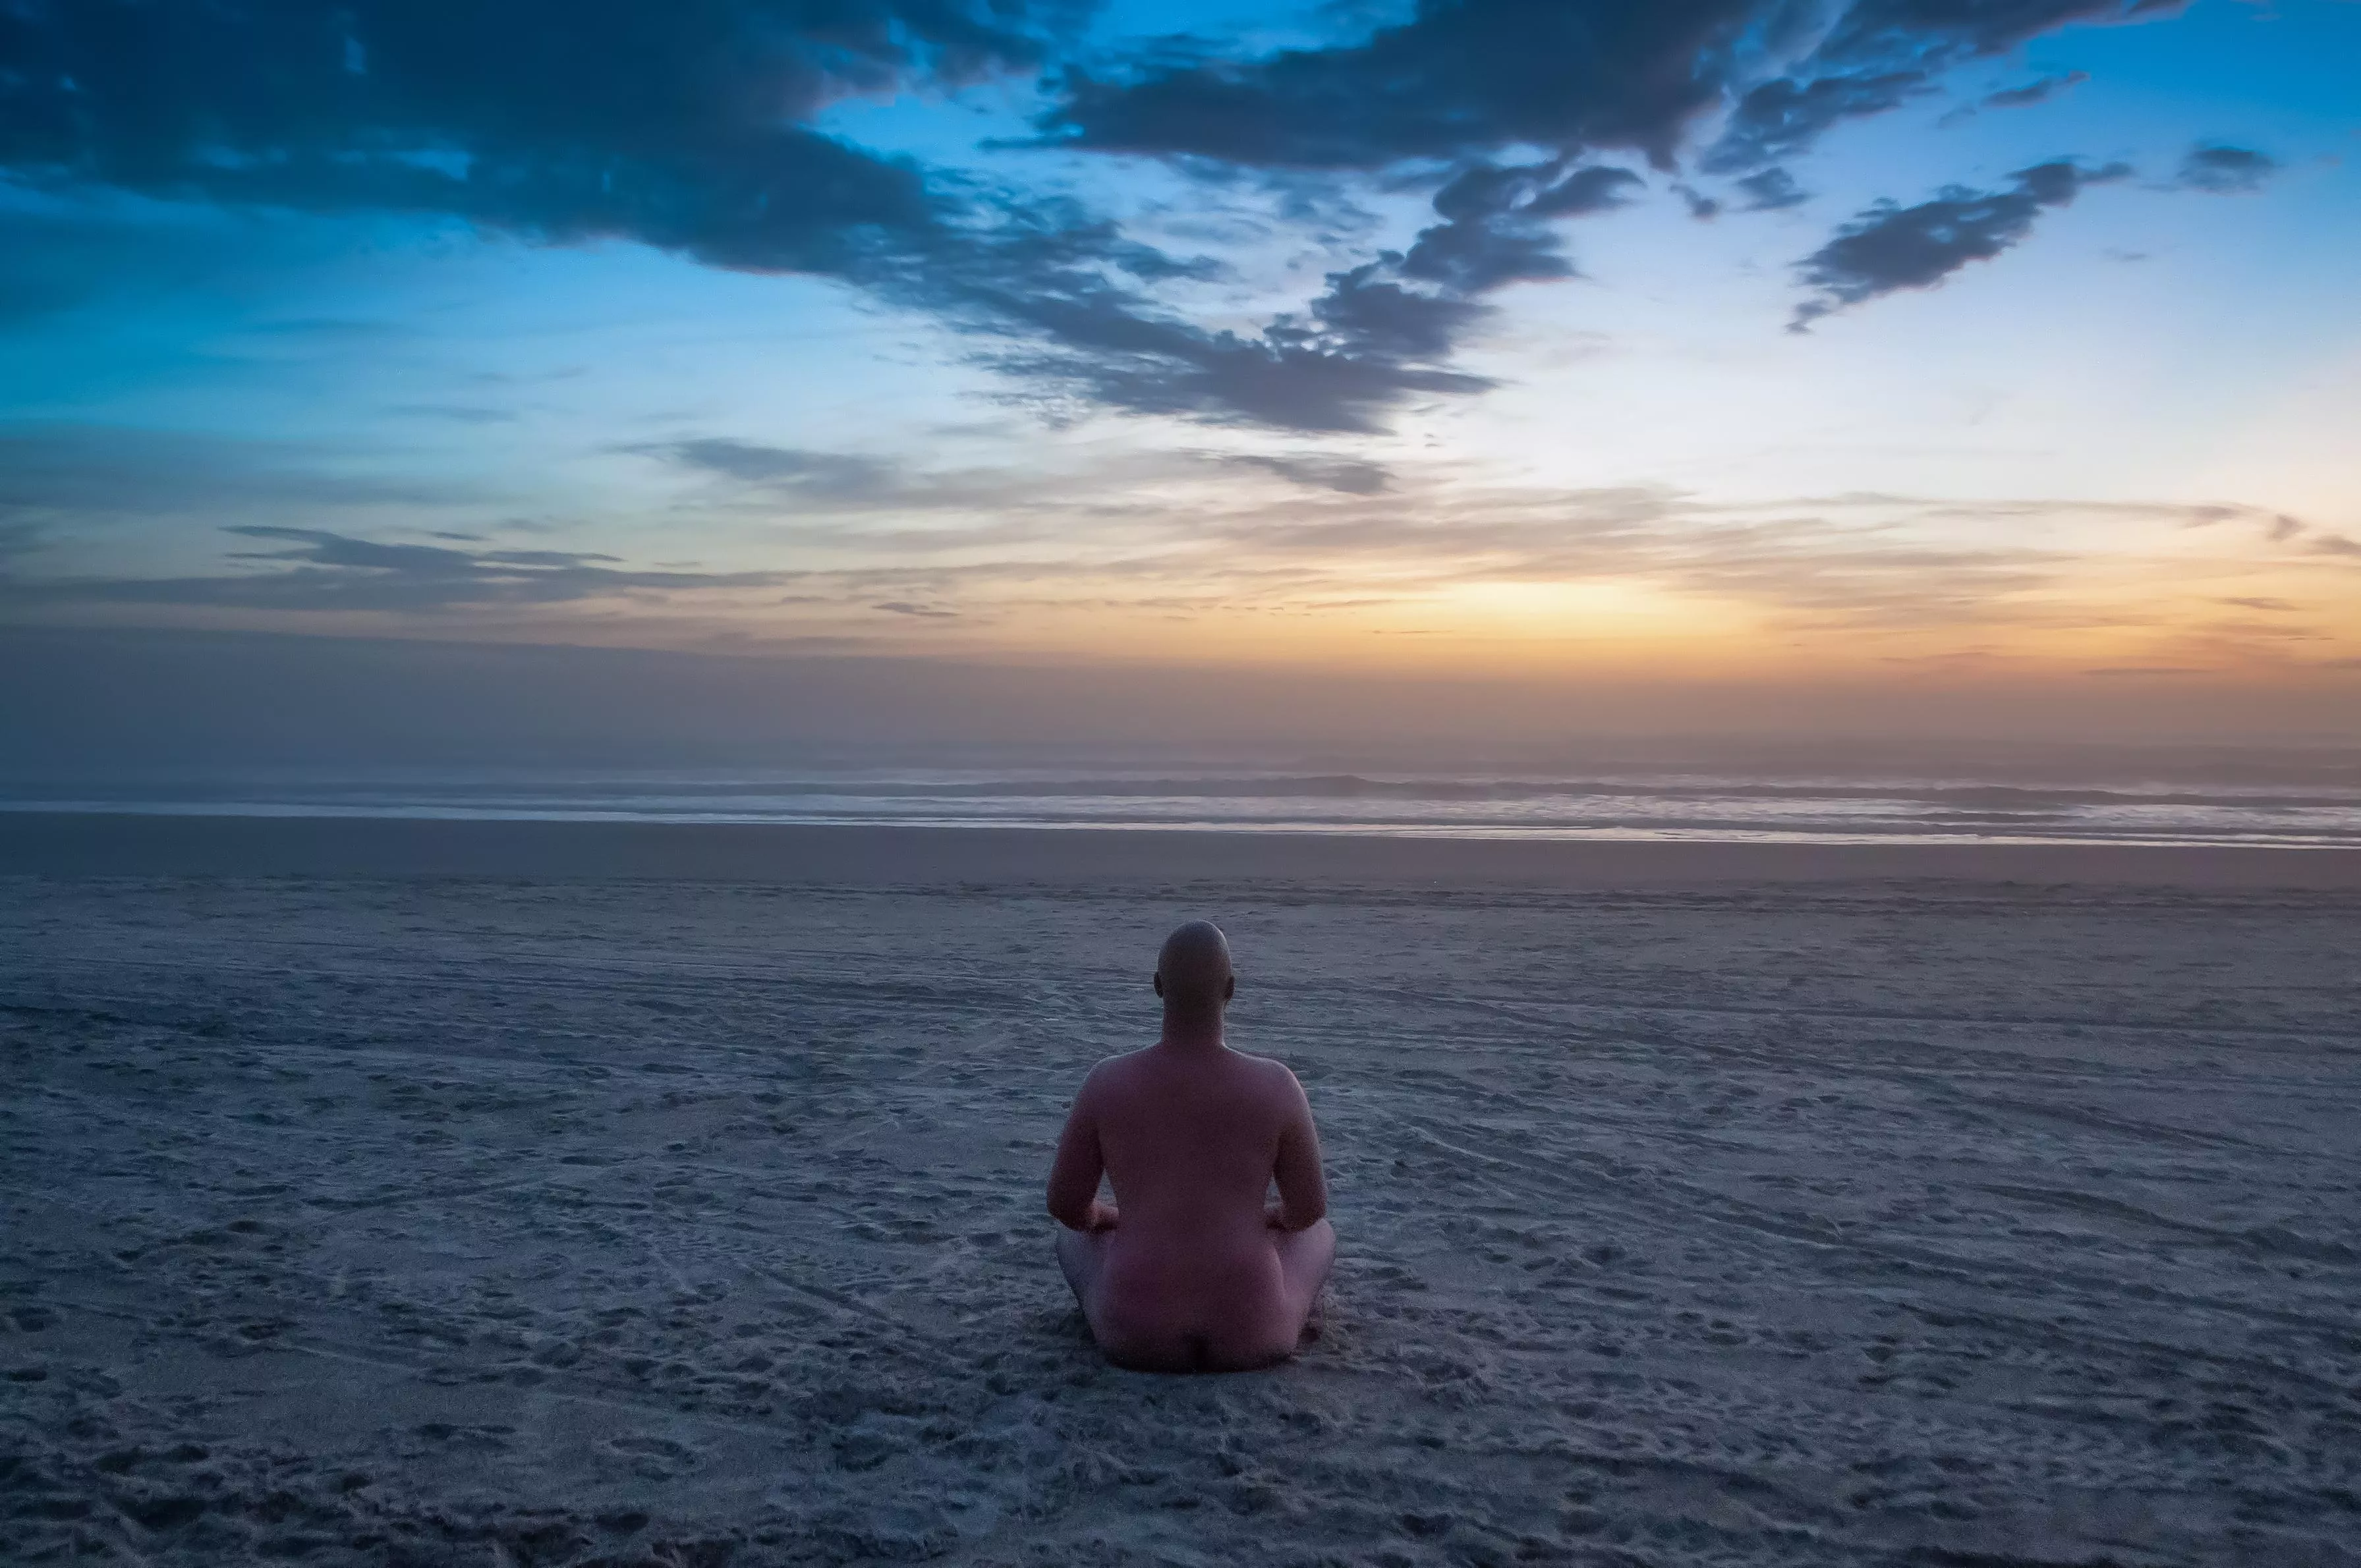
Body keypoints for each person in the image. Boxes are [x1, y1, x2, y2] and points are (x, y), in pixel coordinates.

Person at [1047, 920, 1336, 1372]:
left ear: (1158, 986)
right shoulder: (1277, 1085)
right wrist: (1266, 1219)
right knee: (1320, 1234)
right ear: (1231, 990)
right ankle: (1294, 1312)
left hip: (1137, 1329)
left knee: (1071, 1237)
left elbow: (1067, 1207)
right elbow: (1308, 1209)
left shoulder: (1107, 1081)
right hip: (1251, 1327)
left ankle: (1104, 1307)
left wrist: (1108, 1217)